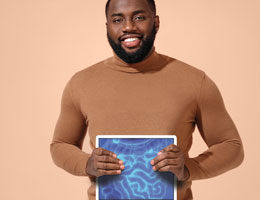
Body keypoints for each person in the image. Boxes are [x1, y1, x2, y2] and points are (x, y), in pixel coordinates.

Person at [50, 0, 244, 199]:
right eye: (118, 19)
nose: (128, 27)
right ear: (108, 27)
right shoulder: (81, 83)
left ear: (156, 22)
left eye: (139, 17)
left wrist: (188, 168)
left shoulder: (195, 82)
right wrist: (87, 164)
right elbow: (60, 145)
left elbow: (232, 147)